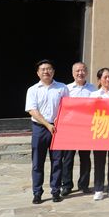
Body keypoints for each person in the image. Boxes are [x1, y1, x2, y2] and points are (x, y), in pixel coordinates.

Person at [25, 59, 69, 204]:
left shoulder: (62, 88)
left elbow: (67, 107)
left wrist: (59, 121)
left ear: (53, 71)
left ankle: (55, 191)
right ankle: (37, 193)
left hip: (58, 129)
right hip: (40, 128)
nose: (46, 71)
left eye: (49, 69)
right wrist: (47, 124)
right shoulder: (33, 90)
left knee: (57, 161)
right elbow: (32, 110)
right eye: (43, 69)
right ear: (38, 73)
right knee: (38, 162)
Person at [61, 61, 95, 196]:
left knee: (85, 158)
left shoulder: (93, 89)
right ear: (73, 73)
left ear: (86, 72)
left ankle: (84, 184)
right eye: (77, 71)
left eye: (83, 70)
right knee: (68, 158)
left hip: (86, 128)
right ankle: (67, 185)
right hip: (70, 128)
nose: (80, 73)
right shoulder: (66, 89)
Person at [89, 68, 109, 200]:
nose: (108, 79)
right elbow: (88, 113)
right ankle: (98, 189)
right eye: (105, 77)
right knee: (99, 161)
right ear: (99, 80)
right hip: (100, 131)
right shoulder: (94, 95)